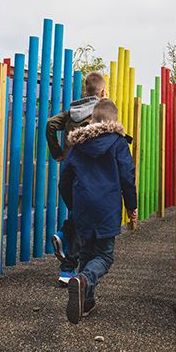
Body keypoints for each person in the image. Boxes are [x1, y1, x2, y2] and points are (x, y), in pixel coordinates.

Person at [59, 98, 137, 324]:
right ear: (115, 120)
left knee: (85, 253)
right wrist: (131, 205)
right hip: (107, 208)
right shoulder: (118, 143)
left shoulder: (78, 144)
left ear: (92, 119)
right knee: (103, 255)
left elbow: (65, 180)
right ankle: (84, 279)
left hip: (82, 205)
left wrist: (73, 206)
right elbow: (127, 177)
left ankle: (86, 302)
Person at [46, 71, 106, 286]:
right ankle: (68, 269)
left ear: (84, 91)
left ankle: (62, 234)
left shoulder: (73, 111)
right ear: (102, 92)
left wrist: (57, 153)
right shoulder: (102, 111)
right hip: (86, 175)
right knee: (83, 222)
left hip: (68, 172)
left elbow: (51, 124)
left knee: (76, 215)